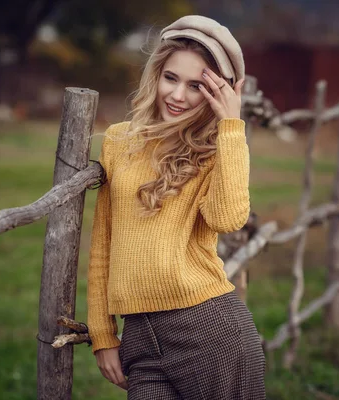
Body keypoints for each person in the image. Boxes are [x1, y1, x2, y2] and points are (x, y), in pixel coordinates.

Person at [87, 15, 266, 399]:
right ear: (156, 74)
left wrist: (231, 128)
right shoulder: (119, 142)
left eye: (196, 85)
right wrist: (103, 335)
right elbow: (103, 241)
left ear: (218, 92)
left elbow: (228, 218)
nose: (178, 96)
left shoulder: (218, 148)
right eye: (171, 78)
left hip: (209, 331)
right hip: (139, 339)